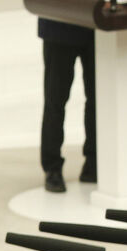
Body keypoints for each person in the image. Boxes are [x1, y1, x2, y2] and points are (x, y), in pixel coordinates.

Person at [39, 18, 95, 193]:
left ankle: (94, 162)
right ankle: (52, 168)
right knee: (55, 101)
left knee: (97, 100)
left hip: (94, 26)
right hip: (58, 25)